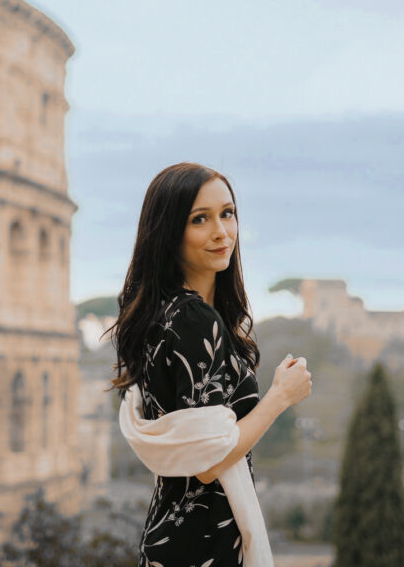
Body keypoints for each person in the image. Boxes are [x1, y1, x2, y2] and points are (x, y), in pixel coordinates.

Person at [107, 162, 312, 567]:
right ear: (168, 232)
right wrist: (279, 397)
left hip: (176, 535)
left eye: (227, 213)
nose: (222, 231)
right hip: (201, 546)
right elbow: (208, 461)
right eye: (200, 219)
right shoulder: (192, 320)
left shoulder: (163, 316)